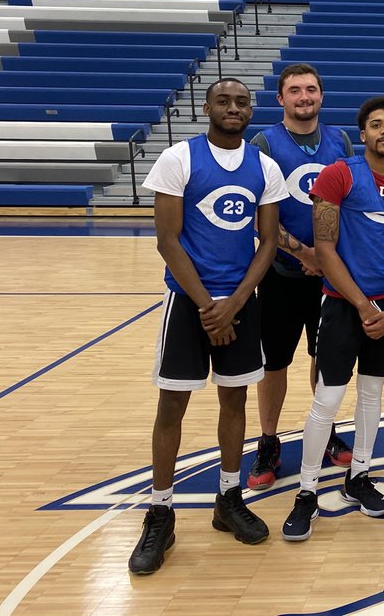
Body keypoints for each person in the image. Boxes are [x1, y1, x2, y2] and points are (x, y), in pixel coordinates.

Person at [129, 78, 288, 575]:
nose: (234, 108)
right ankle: (160, 511)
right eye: (224, 101)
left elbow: (267, 243)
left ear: (250, 109)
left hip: (239, 302)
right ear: (207, 107)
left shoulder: (264, 166)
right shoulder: (177, 159)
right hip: (187, 303)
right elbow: (167, 241)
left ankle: (228, 498)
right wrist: (207, 306)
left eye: (242, 102)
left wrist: (235, 302)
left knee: (234, 400)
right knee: (172, 402)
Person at [281, 97, 384, 541]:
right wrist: (364, 306)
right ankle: (306, 492)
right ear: (362, 133)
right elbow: (324, 248)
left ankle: (359, 476)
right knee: (328, 398)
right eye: (377, 124)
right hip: (345, 305)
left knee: (372, 395)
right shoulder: (338, 174)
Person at [247, 64, 356, 489]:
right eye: (295, 90)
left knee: (325, 359)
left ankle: (324, 431)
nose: (304, 96)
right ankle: (268, 442)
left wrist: (325, 257)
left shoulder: (339, 140)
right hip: (279, 274)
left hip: (330, 275)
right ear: (281, 99)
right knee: (275, 363)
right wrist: (303, 251)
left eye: (311, 89)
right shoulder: (264, 143)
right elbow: (259, 215)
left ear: (321, 96)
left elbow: (347, 204)